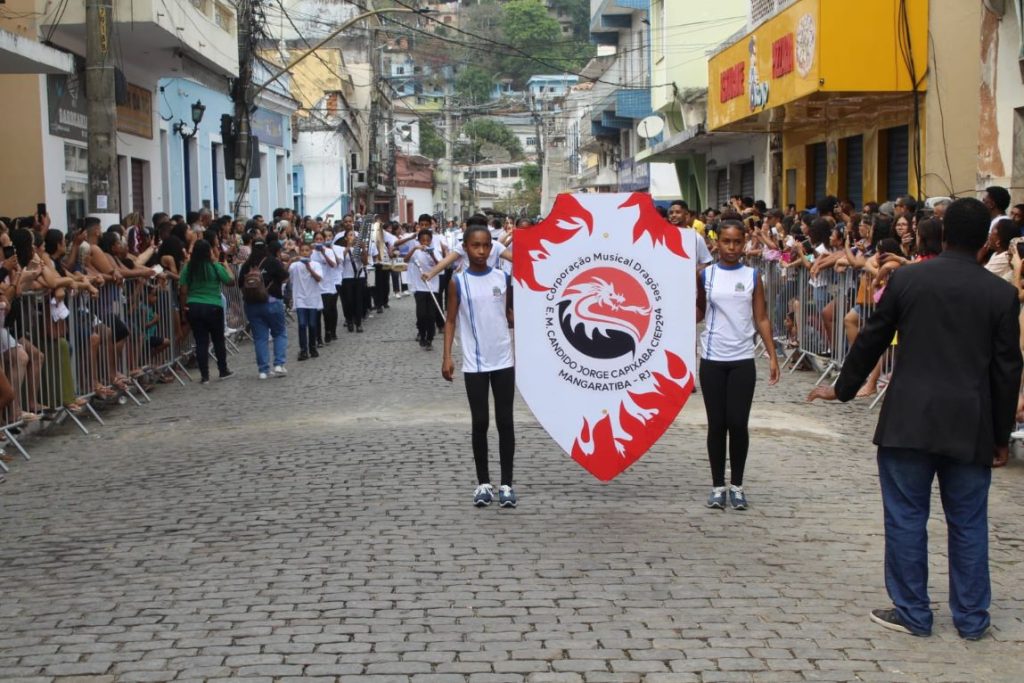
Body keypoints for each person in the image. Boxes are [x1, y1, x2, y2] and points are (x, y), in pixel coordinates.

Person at [808, 197, 1022, 640]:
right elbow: (1007, 371)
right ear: (985, 242)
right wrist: (1001, 436)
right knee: (969, 523)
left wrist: (842, 389)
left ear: (943, 236)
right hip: (970, 424)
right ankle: (972, 618)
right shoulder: (1001, 295)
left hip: (908, 421)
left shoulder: (907, 280)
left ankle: (913, 613)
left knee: (906, 518)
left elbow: (871, 338)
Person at [696, 220, 780, 510]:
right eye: (726, 241)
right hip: (712, 358)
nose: (731, 248)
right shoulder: (706, 275)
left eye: (736, 242)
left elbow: (762, 317)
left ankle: (738, 485)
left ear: (744, 243)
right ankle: (718, 485)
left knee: (738, 424)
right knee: (717, 425)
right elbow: (697, 311)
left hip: (742, 358)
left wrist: (772, 355)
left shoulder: (753, 276)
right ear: (716, 243)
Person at [441, 224, 517, 508]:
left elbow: (510, 316)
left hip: (503, 361)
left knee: (506, 422)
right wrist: (447, 356)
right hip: (474, 363)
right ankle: (483, 483)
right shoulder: (458, 281)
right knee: (481, 422)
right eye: (475, 246)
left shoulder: (502, 277)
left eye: (486, 245)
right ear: (465, 248)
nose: (481, 251)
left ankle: (507, 484)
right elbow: (450, 321)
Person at [179, 239, 234, 384]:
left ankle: (204, 375)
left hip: (194, 306)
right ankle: (223, 370)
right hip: (214, 305)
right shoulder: (214, 266)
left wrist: (184, 307)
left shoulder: (188, 268)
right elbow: (230, 281)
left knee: (201, 341)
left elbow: (183, 290)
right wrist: (226, 266)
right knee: (218, 340)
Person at [239, 239, 289, 379]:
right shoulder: (272, 261)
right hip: (272, 300)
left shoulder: (247, 265)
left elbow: (239, 283)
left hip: (252, 304)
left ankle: (263, 370)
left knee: (260, 338)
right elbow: (285, 277)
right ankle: (279, 364)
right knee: (279, 333)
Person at [406, 228, 442, 349]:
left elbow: (440, 265)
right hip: (419, 287)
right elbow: (406, 260)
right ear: (419, 240)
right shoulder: (417, 251)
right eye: (423, 240)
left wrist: (431, 253)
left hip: (433, 287)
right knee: (421, 314)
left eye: (428, 240)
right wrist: (415, 248)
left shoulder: (435, 251)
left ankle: (430, 339)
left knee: (431, 315)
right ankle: (422, 334)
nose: (425, 242)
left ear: (431, 240)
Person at [288, 242, 323, 361]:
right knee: (302, 324)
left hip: (312, 298)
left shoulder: (316, 264)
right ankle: (303, 350)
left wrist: (309, 268)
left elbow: (319, 279)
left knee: (312, 325)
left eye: (307, 250)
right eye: (302, 250)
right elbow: (285, 275)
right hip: (300, 298)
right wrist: (290, 261)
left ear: (311, 252)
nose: (304, 252)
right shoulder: (295, 266)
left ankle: (312, 347)